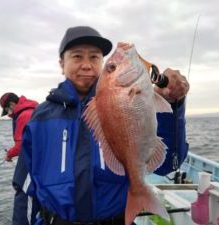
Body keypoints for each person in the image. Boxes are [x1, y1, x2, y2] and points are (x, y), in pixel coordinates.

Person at [20, 26, 190, 225]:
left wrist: (173, 103)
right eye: (77, 57)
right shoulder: (40, 118)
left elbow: (169, 164)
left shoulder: (127, 99)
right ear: (61, 64)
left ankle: (139, 194)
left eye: (94, 57)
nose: (86, 65)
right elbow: (24, 186)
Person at [0, 92, 39, 225]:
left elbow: (22, 144)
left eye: (7, 110)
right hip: (39, 162)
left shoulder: (24, 115)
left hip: (31, 163)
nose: (9, 114)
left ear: (11, 105)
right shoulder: (33, 110)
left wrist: (9, 154)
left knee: (23, 193)